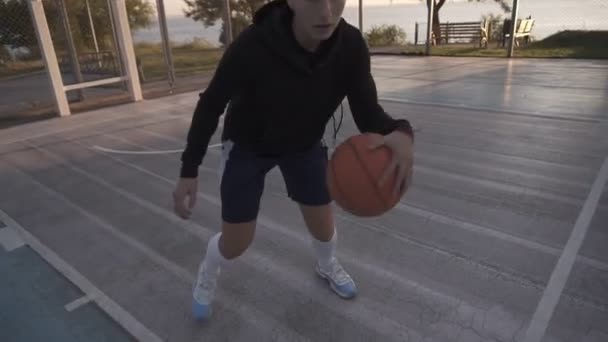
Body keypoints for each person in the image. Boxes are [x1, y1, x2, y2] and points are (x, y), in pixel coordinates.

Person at [173, 0, 414, 321]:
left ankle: (326, 264)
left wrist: (401, 132)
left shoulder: (351, 46)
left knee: (324, 226)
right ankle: (209, 268)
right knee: (236, 243)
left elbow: (368, 113)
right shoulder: (253, 45)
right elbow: (210, 105)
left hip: (303, 143)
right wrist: (189, 170)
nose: (327, 12)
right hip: (248, 145)